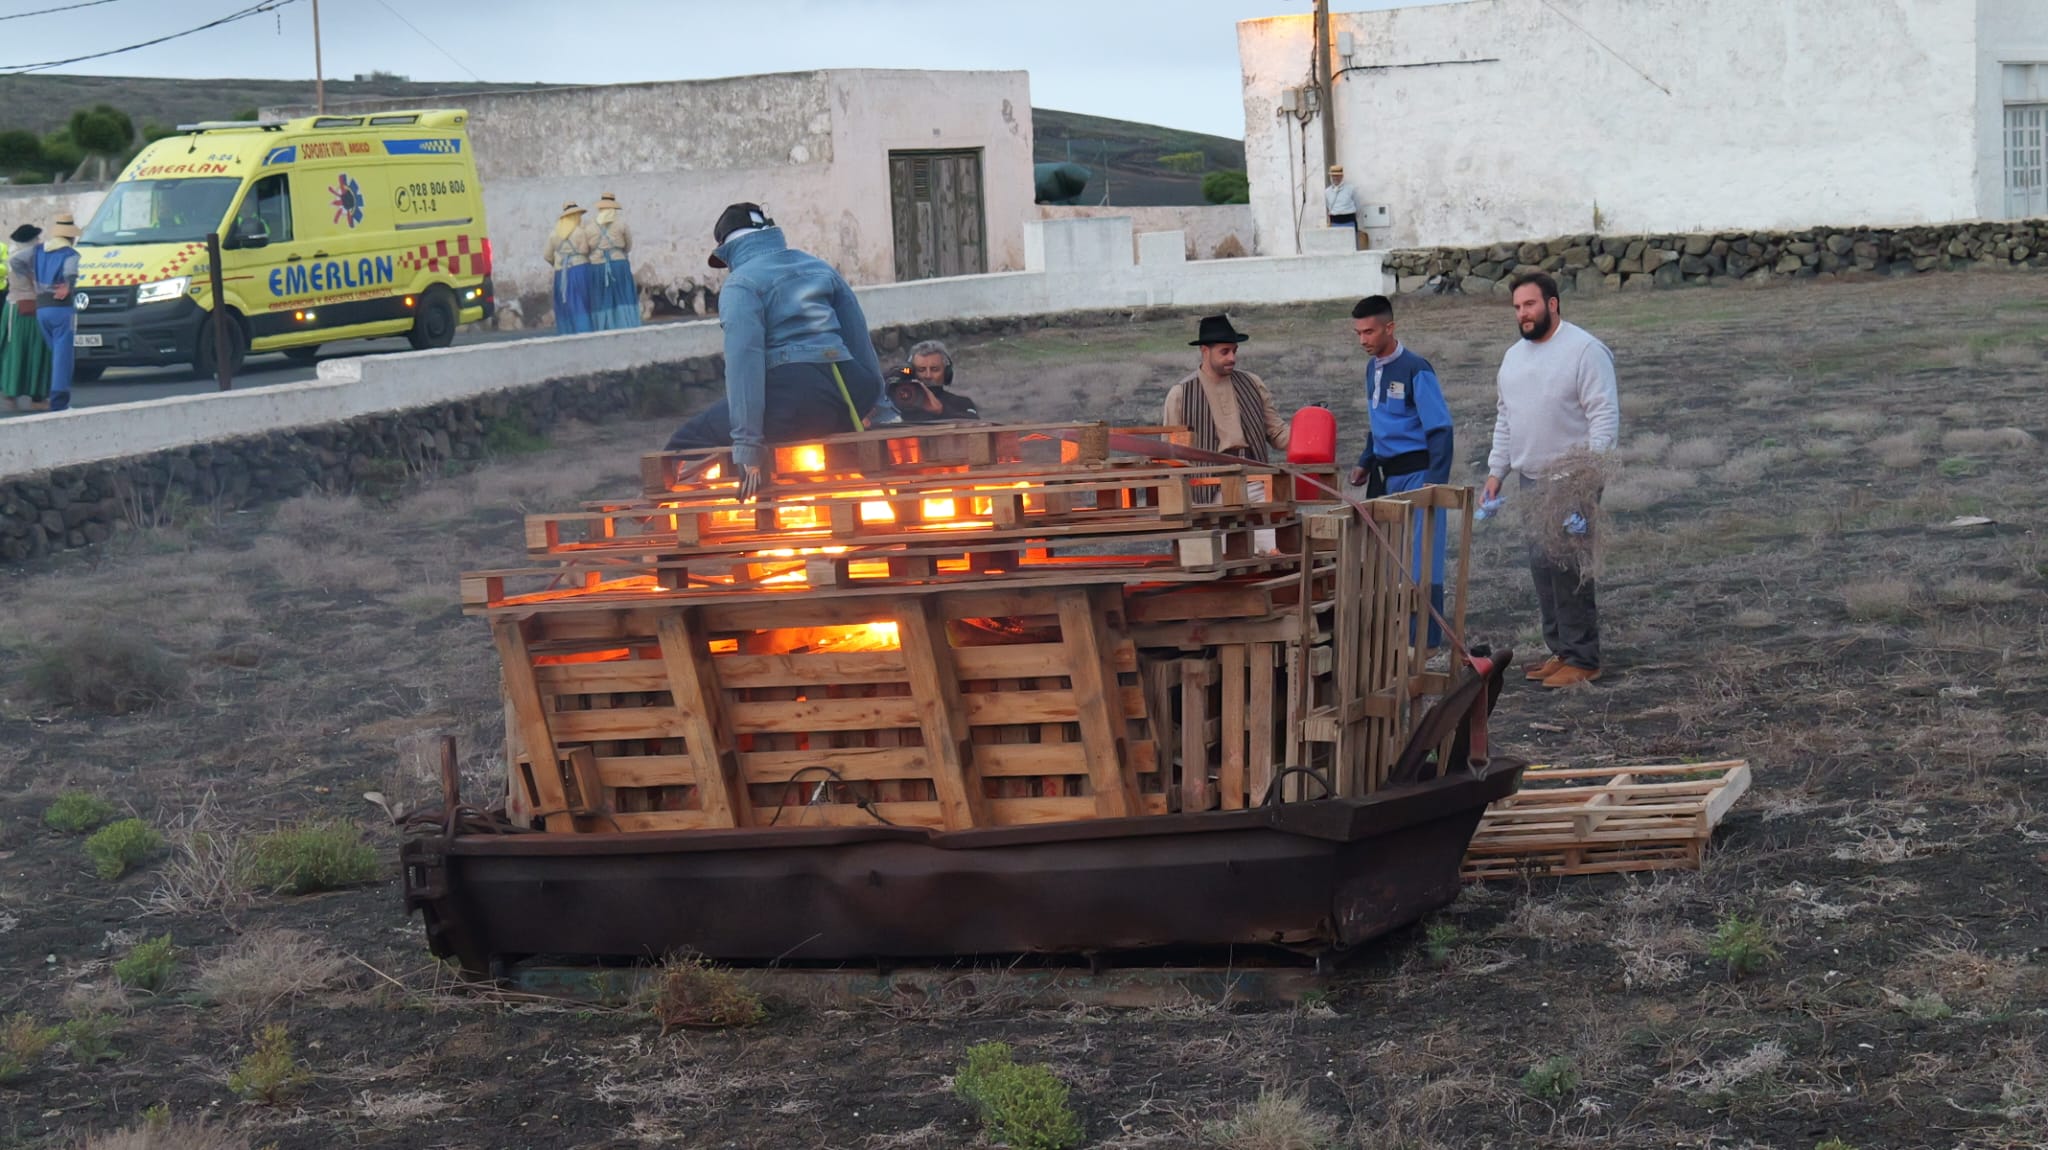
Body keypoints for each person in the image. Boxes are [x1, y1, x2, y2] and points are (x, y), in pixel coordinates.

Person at [665, 203, 885, 499]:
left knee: (684, 442)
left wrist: (747, 448)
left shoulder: (741, 284)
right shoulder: (818, 266)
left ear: (728, 250)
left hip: (799, 401)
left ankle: (655, 508)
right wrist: (879, 404)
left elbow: (745, 366)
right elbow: (859, 342)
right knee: (827, 431)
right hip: (852, 391)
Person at [1483, 271, 1620, 689]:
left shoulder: (1584, 351)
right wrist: (1496, 472)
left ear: (1553, 303)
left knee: (1568, 566)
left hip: (1572, 479)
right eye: (1518, 308)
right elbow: (1506, 418)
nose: (1523, 314)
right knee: (1542, 567)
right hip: (1531, 478)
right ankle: (1560, 649)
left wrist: (1588, 479)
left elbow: (1603, 416)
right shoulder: (1513, 358)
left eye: (1530, 304)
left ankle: (1584, 657)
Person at [1345, 294, 1453, 641]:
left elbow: (1439, 428)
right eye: (1359, 333)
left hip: (1419, 474)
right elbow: (1379, 422)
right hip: (1387, 477)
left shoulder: (1415, 369)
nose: (1363, 340)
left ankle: (1428, 639)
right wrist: (1366, 461)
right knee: (1394, 558)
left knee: (1424, 560)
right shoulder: (1371, 368)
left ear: (1389, 328)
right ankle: (1398, 633)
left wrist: (1433, 485)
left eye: (1370, 332)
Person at [33, 215, 81, 413]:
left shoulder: (37, 251)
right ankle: (59, 402)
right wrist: (68, 287)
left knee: (54, 353)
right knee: (63, 356)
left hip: (41, 308)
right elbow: (70, 272)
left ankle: (48, 395)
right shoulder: (70, 253)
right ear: (70, 236)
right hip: (61, 309)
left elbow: (16, 261)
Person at [0, 224, 47, 411]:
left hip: (21, 309)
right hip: (23, 310)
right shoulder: (23, 260)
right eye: (36, 239)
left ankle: (16, 394)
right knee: (23, 351)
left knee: (21, 351)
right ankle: (25, 395)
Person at [583, 192, 640, 331]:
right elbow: (628, 245)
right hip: (618, 264)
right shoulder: (621, 224)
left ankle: (604, 327)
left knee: (601, 297)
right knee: (622, 295)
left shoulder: (589, 226)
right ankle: (626, 324)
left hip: (597, 266)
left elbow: (586, 249)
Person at [886, 339, 980, 423]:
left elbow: (975, 423)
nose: (928, 375)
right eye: (921, 370)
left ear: (946, 372)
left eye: (935, 369)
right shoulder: (899, 402)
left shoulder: (961, 403)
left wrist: (942, 411)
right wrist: (898, 372)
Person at [543, 202, 592, 335]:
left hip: (561, 273)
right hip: (580, 270)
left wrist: (558, 264)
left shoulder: (553, 234)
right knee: (582, 302)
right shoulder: (580, 232)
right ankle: (585, 331)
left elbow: (547, 255)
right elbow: (585, 250)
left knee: (566, 304)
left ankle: (568, 332)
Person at [1324, 165, 1362, 250]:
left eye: (1338, 175)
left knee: (1352, 247)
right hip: (1335, 222)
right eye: (1333, 175)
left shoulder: (1351, 189)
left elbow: (1358, 206)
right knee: (1337, 248)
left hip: (1349, 221)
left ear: (1342, 176)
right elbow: (1328, 207)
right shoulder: (1327, 192)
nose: (1335, 178)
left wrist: (1352, 217)